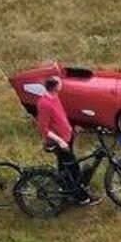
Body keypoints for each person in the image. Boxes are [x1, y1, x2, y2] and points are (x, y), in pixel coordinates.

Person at [35, 75, 93, 205]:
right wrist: (60, 141)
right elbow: (43, 128)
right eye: (60, 83)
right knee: (71, 167)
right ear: (56, 87)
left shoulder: (55, 97)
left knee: (66, 166)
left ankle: (65, 188)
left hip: (67, 137)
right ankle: (81, 198)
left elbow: (60, 118)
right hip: (60, 142)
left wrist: (72, 128)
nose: (62, 84)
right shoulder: (44, 104)